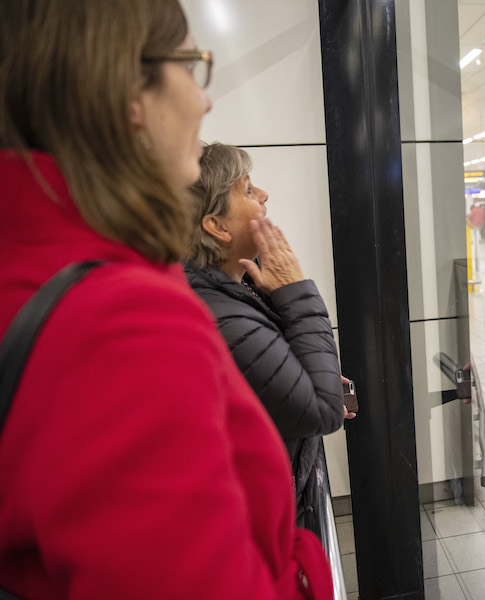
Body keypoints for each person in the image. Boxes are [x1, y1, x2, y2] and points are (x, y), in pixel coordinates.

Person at [0, 2, 331, 598]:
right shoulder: (125, 320)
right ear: (129, 90)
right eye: (189, 64)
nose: (204, 100)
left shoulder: (40, 262)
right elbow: (317, 405)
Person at [183, 143, 346, 531]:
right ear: (217, 226)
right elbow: (323, 410)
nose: (264, 195)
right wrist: (295, 290)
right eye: (247, 189)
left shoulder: (237, 285)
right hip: (260, 524)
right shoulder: (217, 313)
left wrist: (298, 373)